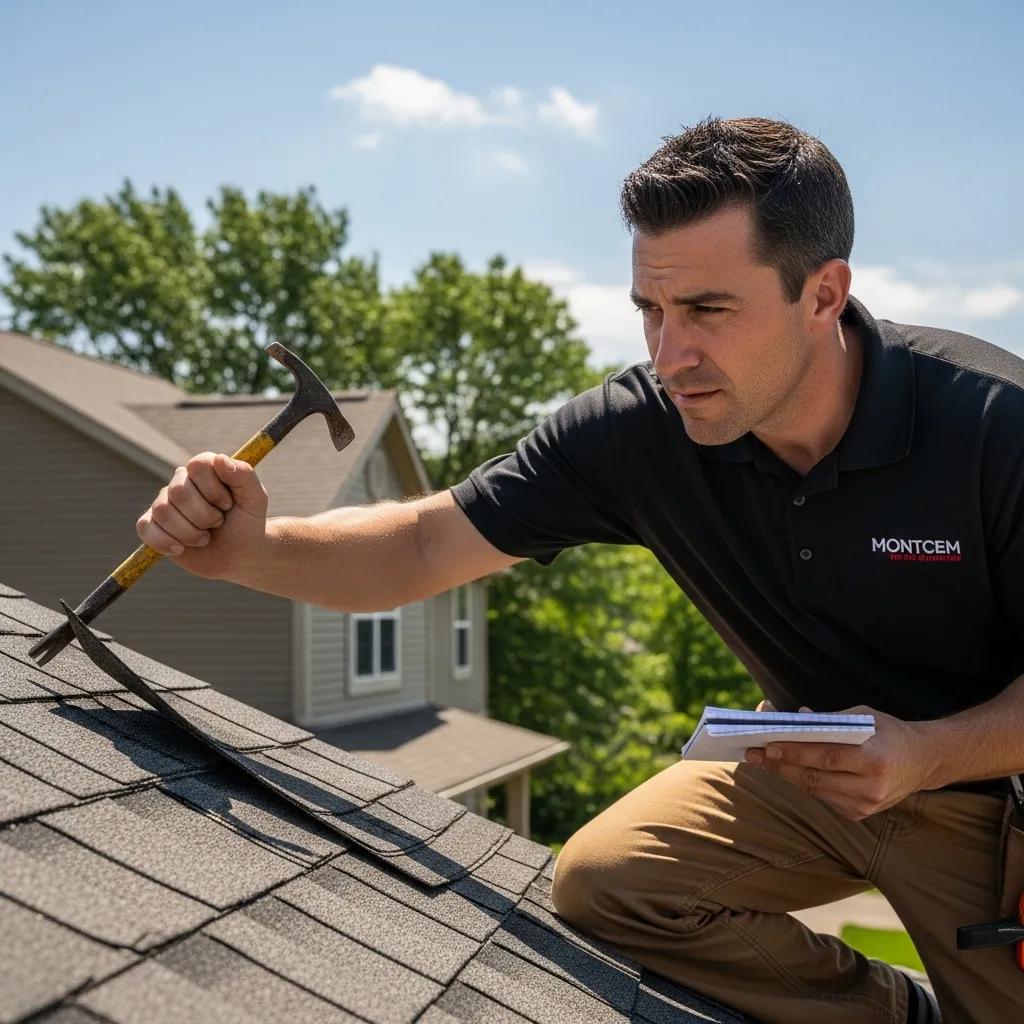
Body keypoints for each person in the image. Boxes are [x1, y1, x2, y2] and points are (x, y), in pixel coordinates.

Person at [135, 116, 1024, 1024]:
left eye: (709, 311)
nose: (669, 355)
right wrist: (256, 548)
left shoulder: (997, 424)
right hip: (811, 772)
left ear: (824, 293)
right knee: (606, 883)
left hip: (1000, 797)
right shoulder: (642, 429)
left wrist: (926, 755)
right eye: (651, 309)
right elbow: (424, 542)